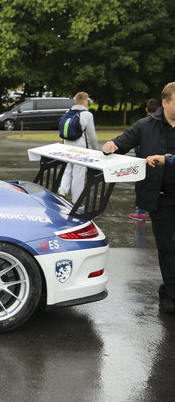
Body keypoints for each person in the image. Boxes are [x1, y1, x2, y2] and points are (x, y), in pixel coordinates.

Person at [102, 81, 175, 314]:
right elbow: (121, 144)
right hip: (161, 198)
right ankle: (170, 295)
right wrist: (110, 146)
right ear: (165, 103)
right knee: (167, 248)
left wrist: (166, 158)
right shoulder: (145, 125)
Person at [58, 92, 99, 207]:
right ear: (85, 101)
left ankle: (62, 191)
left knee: (68, 168)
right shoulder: (87, 115)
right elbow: (92, 136)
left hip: (67, 145)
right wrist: (96, 150)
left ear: (76, 100)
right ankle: (76, 201)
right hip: (79, 147)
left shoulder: (68, 112)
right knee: (79, 174)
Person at [130, 98, 162, 221]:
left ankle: (141, 212)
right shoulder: (164, 123)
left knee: (141, 185)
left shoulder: (142, 123)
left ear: (146, 109)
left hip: (143, 160)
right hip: (160, 160)